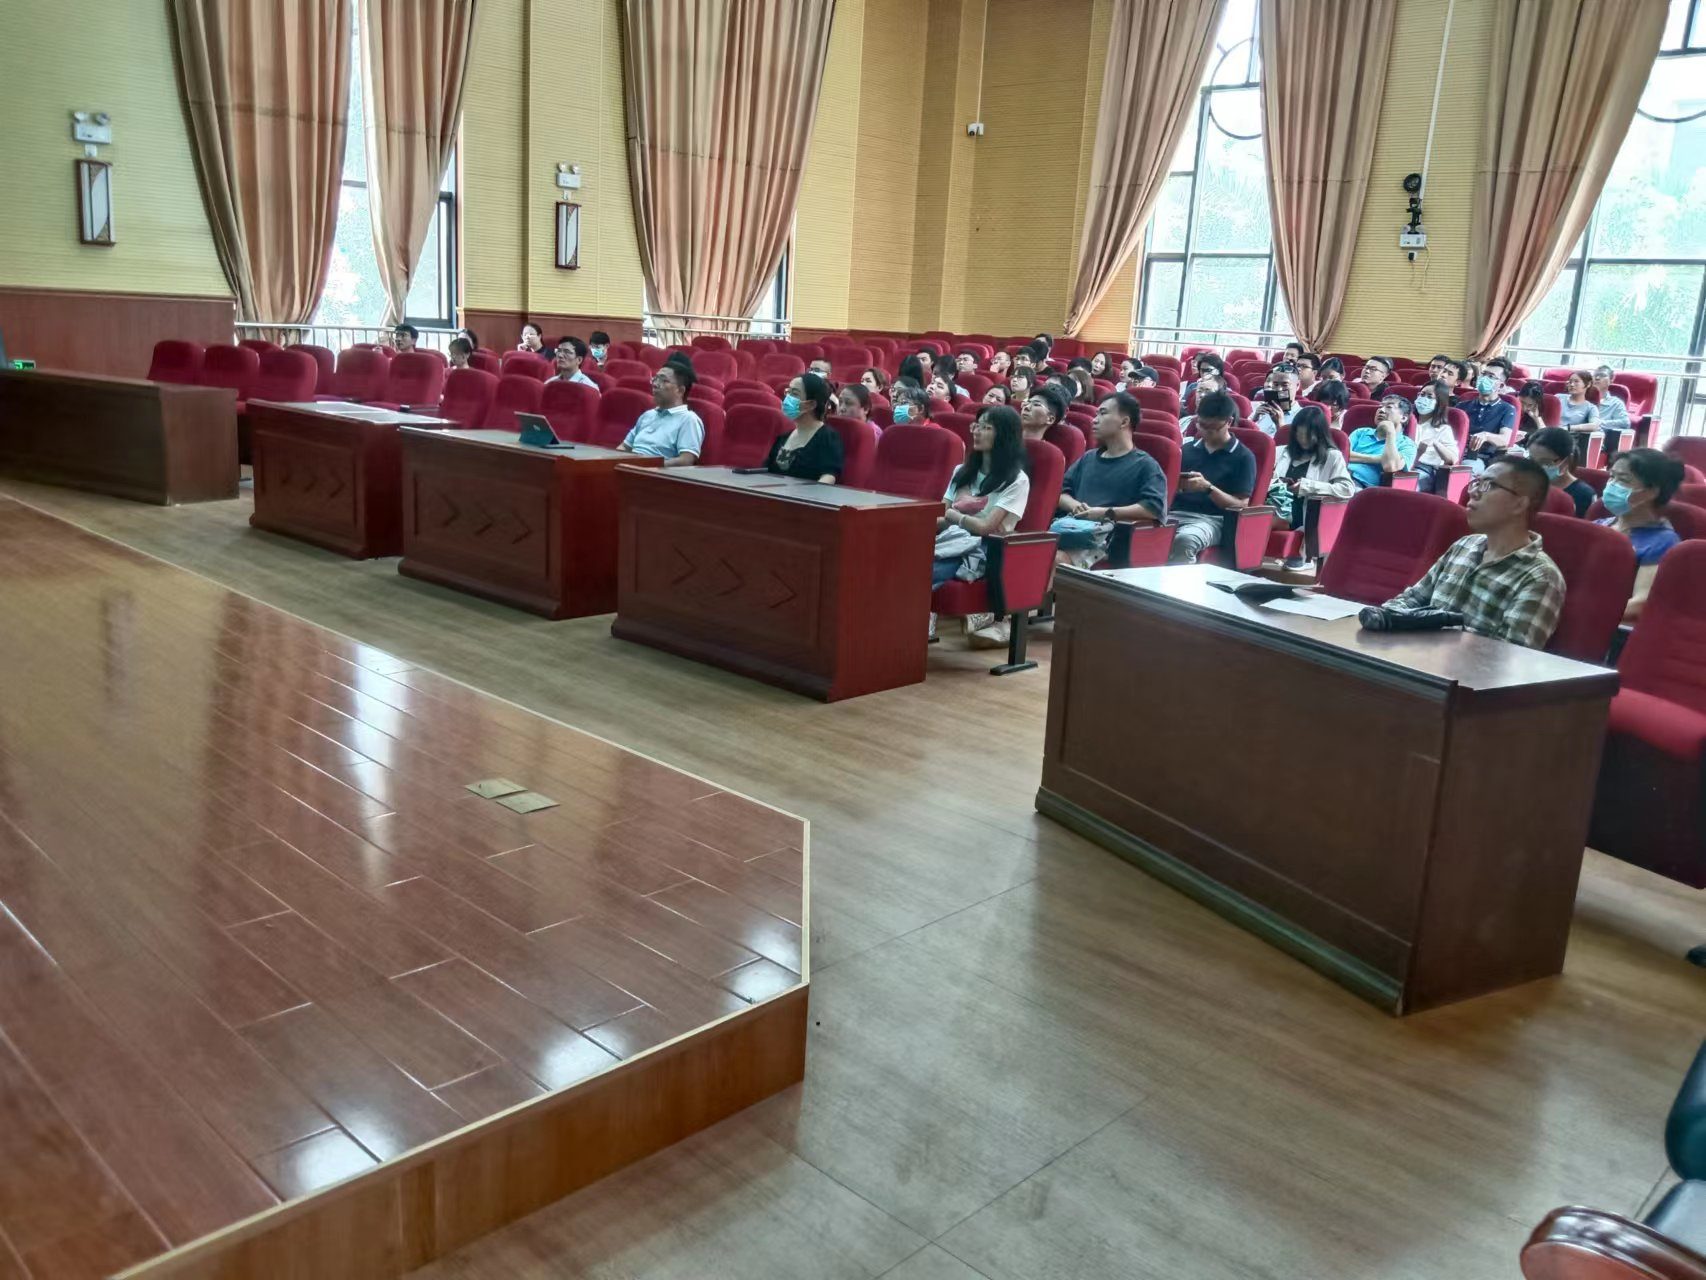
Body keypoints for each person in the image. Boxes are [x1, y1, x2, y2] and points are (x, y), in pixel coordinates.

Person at [1382, 457, 1565, 648]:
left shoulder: (1541, 577)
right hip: (1414, 653)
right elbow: (1413, 598)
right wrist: (1385, 618)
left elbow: (1511, 654)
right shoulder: (1465, 545)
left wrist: (1424, 627)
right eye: (1477, 482)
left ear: (1519, 504)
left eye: (1489, 485)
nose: (1473, 492)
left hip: (1458, 665)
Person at [930, 405, 1032, 638]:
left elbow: (986, 528)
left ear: (1004, 435)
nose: (977, 432)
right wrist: (949, 518)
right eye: (976, 426)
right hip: (951, 537)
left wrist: (955, 515)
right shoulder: (962, 471)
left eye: (986, 427)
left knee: (927, 571)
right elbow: (939, 518)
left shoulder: (1017, 480)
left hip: (988, 548)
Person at [1052, 392, 1169, 569]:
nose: (1094, 420)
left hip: (1103, 538)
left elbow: (1153, 508)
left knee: (1048, 560)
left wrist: (1104, 513)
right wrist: (1076, 506)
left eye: (1103, 413)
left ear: (1124, 422)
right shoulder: (1088, 458)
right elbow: (1061, 493)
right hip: (1070, 528)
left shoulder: (1146, 465)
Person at [1597, 447, 1685, 620]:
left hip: (1612, 624)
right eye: (1611, 476)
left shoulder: (1663, 542)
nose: (1611, 485)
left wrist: (1588, 615)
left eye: (1623, 480)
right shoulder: (1599, 525)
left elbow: (1640, 603)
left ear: (1651, 492)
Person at [1166, 391, 1254, 563]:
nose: (1205, 432)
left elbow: (1241, 505)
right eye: (1201, 425)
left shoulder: (1243, 457)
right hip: (1175, 513)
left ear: (1228, 422)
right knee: (1140, 532)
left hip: (1213, 520)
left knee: (1185, 540)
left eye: (1212, 428)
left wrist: (1208, 488)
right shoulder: (1187, 450)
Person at [1269, 405, 1353, 571]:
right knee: (1255, 514)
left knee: (1260, 519)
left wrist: (1308, 486)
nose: (1303, 440)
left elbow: (1347, 489)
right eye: (1299, 435)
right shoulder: (1280, 452)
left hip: (1306, 512)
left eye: (1308, 436)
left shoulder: (1332, 456)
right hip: (1276, 504)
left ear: (1319, 435)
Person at [619, 360, 704, 465]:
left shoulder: (689, 419)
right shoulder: (648, 415)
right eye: (655, 379)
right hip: (630, 467)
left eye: (664, 381)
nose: (655, 384)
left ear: (680, 390)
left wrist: (648, 466)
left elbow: (686, 460)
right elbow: (625, 446)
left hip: (653, 471)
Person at [766, 373, 844, 483]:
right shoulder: (783, 437)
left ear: (811, 404)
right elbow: (766, 471)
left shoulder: (828, 437)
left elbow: (828, 477)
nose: (787, 399)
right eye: (788, 392)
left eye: (794, 394)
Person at [1347, 395, 1417, 488]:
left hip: (1361, 485)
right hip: (1341, 474)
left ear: (1403, 418)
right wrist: (1378, 459)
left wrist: (1390, 434)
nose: (1381, 410)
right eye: (1380, 406)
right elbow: (1343, 454)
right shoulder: (1361, 432)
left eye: (1389, 407)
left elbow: (1390, 466)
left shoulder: (1407, 444)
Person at [1527, 426, 1595, 517]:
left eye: (1545, 462)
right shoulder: (1525, 484)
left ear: (1567, 460)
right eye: (1531, 460)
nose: (1536, 467)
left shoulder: (1582, 495)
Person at [1410, 379, 1459, 495]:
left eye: (1429, 397)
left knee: (1406, 486)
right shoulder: (1407, 420)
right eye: (1422, 394)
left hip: (1423, 469)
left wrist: (1435, 443)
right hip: (1401, 464)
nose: (1423, 399)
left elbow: (1452, 459)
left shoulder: (1443, 429)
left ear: (1439, 403)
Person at [1463, 371, 1517, 471]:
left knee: (1465, 467)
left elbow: (1505, 440)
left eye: (1491, 376)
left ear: (1500, 385)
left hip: (1477, 457)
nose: (1484, 378)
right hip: (1455, 452)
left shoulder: (1507, 409)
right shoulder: (1462, 405)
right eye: (1483, 374)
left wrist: (1486, 435)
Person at [1252, 365, 1300, 432]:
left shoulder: (1303, 416)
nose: (1279, 389)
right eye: (1275, 385)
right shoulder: (1261, 411)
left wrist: (1280, 426)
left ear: (1297, 385)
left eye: (1285, 385)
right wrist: (1254, 421)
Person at [1592, 365, 1631, 430]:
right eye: (1595, 375)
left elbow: (1625, 423)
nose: (1597, 378)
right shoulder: (1581, 398)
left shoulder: (1616, 403)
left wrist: (1597, 423)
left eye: (1602, 375)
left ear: (1611, 380)